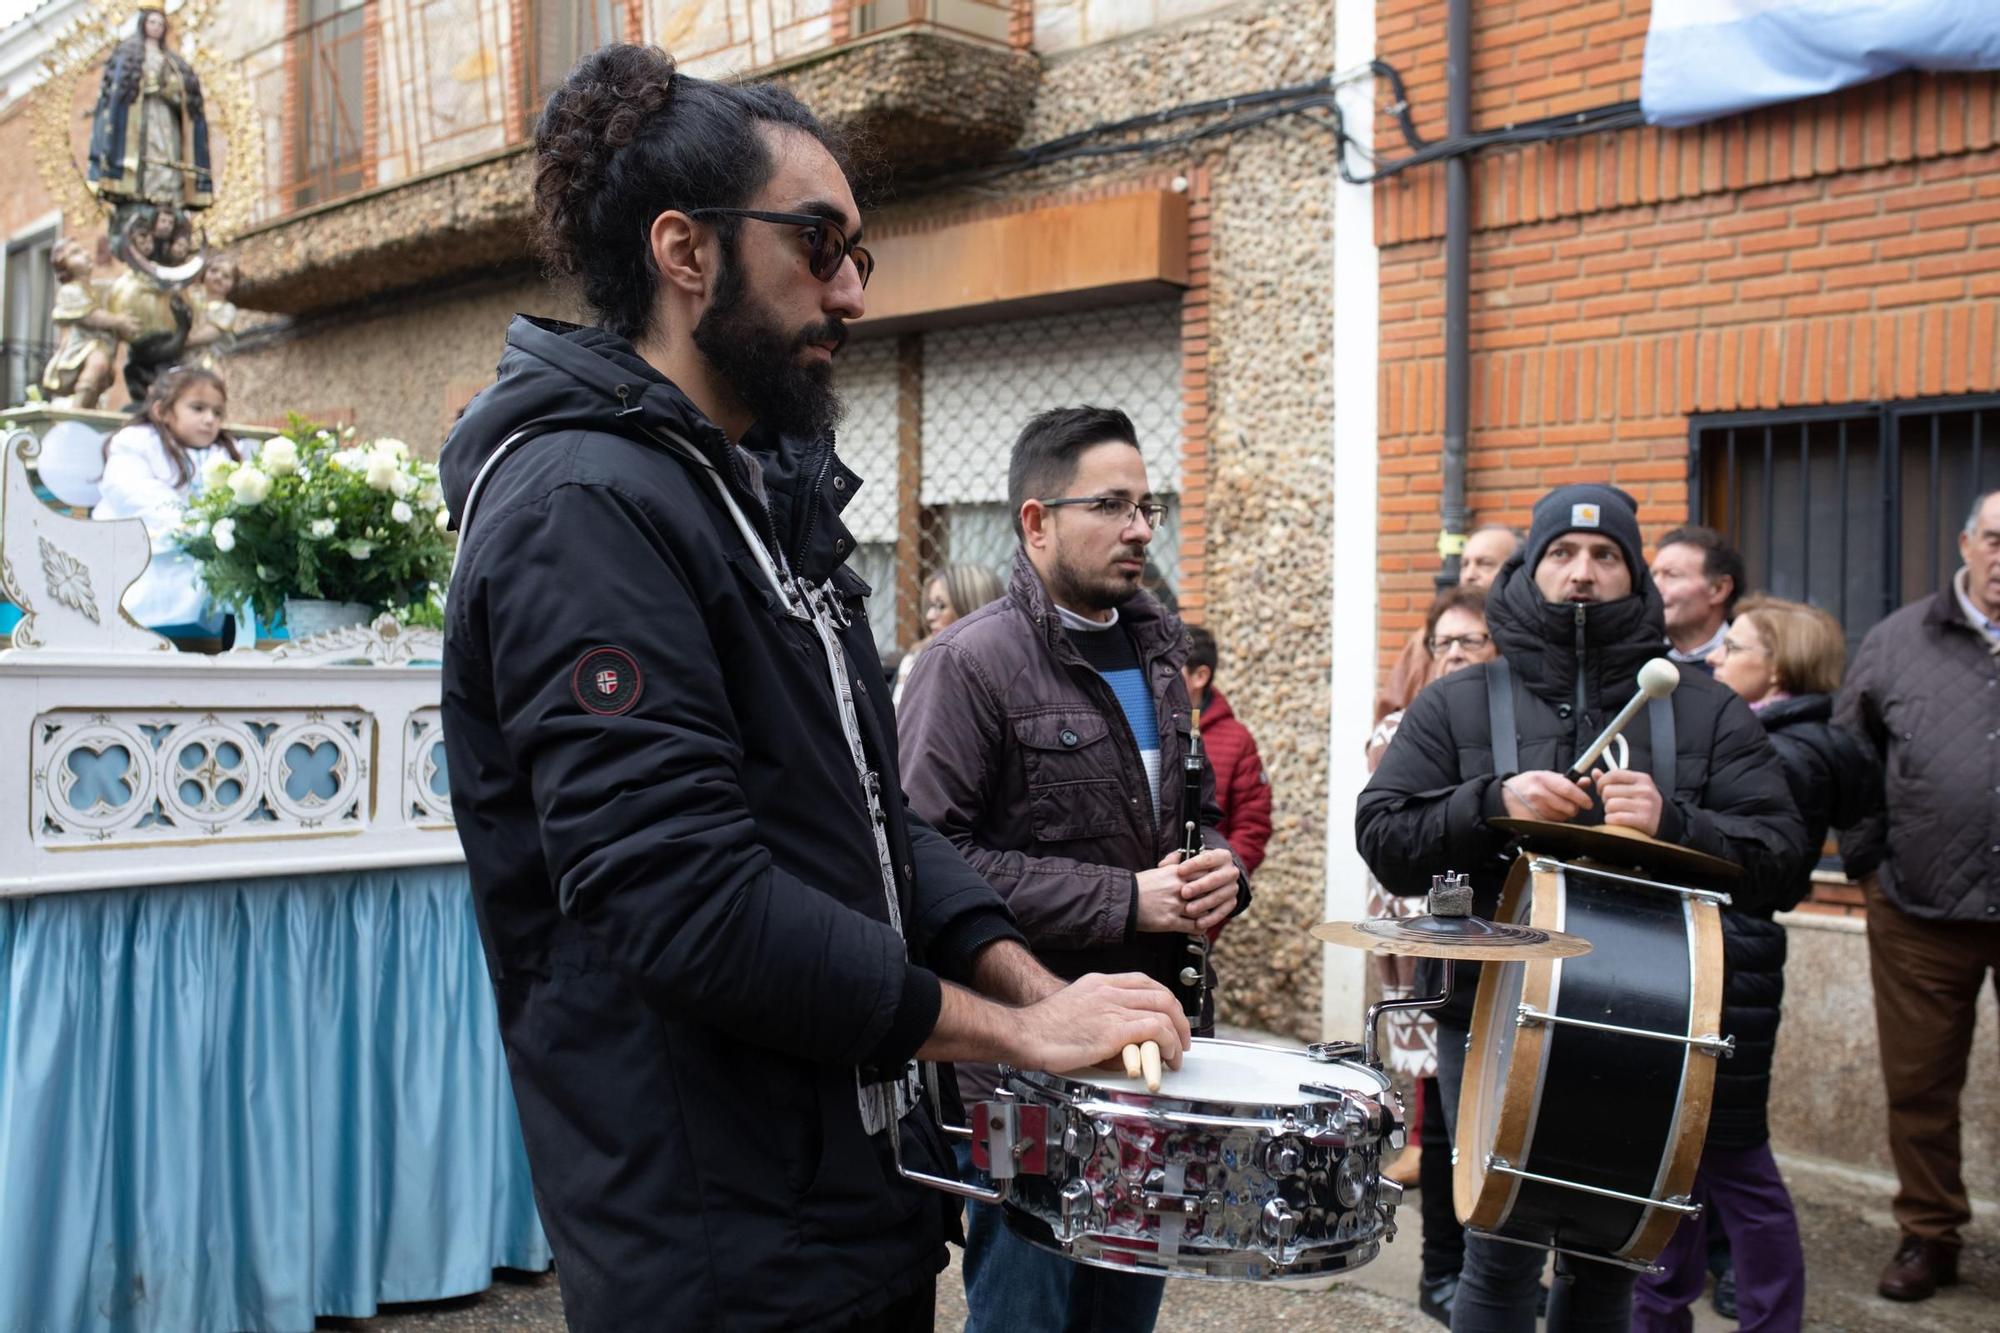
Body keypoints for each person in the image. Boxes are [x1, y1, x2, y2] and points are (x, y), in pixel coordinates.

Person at [436, 48, 1191, 1332]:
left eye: (860, 254)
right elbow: (681, 899)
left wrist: (1029, 982)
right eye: (817, 244)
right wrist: (1012, 1039)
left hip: (846, 1200)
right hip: (720, 1245)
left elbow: (872, 818)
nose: (848, 288)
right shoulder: (584, 507)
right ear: (685, 251)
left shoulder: (755, 495)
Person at [1356, 482, 1808, 1333]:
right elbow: (1383, 833)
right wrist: (1491, 799)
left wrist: (1676, 823)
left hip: (1647, 1015)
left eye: (1606, 556)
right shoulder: (1458, 701)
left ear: (1636, 576)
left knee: (1612, 1251)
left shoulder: (1703, 708)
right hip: (1485, 1008)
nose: (1583, 573)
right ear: (1531, 568)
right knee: (1497, 1247)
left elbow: (1781, 855)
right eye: (1562, 553)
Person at [898, 405, 1248, 1333]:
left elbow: (1195, 817)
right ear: (1036, 520)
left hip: (1152, 1058)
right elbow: (927, 858)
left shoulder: (1162, 657)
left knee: (1122, 1315)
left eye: (1148, 505)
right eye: (1111, 504)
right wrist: (1125, 897)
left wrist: (1222, 868)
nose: (1139, 527)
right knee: (1024, 1317)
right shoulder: (964, 667)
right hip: (1025, 1073)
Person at [1634, 594, 1880, 1332]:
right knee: (1681, 1158)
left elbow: (1757, 865)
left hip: (1726, 959)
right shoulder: (1776, 737)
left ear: (1776, 668)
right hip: (1716, 952)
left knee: (1735, 1163)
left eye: (1731, 646)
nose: (1712, 657)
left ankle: (1764, 1318)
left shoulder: (1785, 753)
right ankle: (1658, 1308)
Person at [1838, 489, 2000, 1303]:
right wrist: (1872, 869)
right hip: (1919, 910)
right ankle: (1929, 1234)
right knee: (1921, 1084)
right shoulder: (1897, 641)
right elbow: (1851, 758)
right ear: (1967, 544)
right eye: (1997, 540)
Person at [1364, 584, 1495, 1325]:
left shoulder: (1505, 725)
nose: (1452, 654)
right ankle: (1441, 1273)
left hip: (1490, 943)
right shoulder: (1408, 724)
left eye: (1469, 642)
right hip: (1424, 931)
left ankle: (1480, 1269)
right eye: (1441, 642)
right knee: (1441, 1110)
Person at [91, 364, 238, 632]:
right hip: (144, 550)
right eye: (198, 408)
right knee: (165, 577)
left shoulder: (223, 454)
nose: (210, 419)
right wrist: (197, 528)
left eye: (217, 412)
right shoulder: (135, 443)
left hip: (202, 550)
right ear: (162, 411)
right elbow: (137, 494)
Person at [1376, 524, 1521, 724]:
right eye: (1464, 564)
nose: (1469, 575)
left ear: (1517, 572)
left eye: (1484, 564)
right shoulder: (1423, 642)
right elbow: (1387, 722)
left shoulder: (1532, 637)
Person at [87, 2, 214, 213]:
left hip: (165, 116)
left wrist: (169, 90)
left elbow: (186, 96)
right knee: (147, 147)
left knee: (166, 150)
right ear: (143, 23)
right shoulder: (128, 55)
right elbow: (117, 98)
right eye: (152, 22)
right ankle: (139, 189)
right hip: (139, 120)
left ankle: (168, 193)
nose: (156, 27)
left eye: (160, 23)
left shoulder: (173, 61)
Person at [1182, 624, 1272, 877]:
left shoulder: (1237, 739)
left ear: (1200, 676)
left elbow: (1252, 825)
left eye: (1170, 669)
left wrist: (1218, 882)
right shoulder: (1144, 728)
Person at [891, 562, 1003, 707]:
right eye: (931, 606)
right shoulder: (914, 661)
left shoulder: (1006, 666)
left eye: (941, 606)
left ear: (971, 609)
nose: (929, 616)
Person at [1651, 524, 1744, 674]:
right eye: (1653, 575)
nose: (1654, 587)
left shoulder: (1751, 666)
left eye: (1672, 575)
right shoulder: (1635, 657)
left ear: (1719, 589)